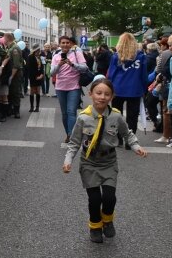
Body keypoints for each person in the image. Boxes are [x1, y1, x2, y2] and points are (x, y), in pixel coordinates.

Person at [63, 77, 148, 243]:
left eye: (106, 94)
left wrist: (137, 146)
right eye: (98, 93)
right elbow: (74, 143)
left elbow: (127, 134)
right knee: (94, 199)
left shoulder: (116, 117)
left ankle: (107, 220)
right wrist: (68, 160)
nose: (102, 97)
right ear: (91, 94)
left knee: (109, 197)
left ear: (112, 96)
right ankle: (95, 226)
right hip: (89, 162)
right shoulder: (83, 118)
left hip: (109, 161)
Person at [107, 33, 148, 149]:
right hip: (135, 88)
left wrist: (108, 88)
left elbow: (111, 74)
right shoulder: (141, 56)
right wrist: (144, 88)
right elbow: (143, 75)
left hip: (117, 88)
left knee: (116, 115)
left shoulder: (116, 56)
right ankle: (130, 140)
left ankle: (118, 138)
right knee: (132, 116)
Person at [51, 35, 88, 145]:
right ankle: (68, 133)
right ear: (60, 44)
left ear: (71, 44)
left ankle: (71, 136)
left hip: (74, 87)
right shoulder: (56, 56)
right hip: (60, 87)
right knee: (64, 114)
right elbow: (52, 72)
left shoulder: (77, 54)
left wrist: (72, 64)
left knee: (71, 112)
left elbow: (85, 68)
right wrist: (59, 64)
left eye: (67, 42)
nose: (65, 44)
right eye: (63, 42)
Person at [26, 43, 44, 112]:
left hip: (39, 76)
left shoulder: (39, 57)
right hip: (33, 77)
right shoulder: (30, 57)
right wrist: (36, 76)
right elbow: (30, 68)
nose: (39, 51)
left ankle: (37, 107)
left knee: (38, 91)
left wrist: (42, 74)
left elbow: (42, 66)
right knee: (32, 91)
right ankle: (31, 106)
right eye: (37, 50)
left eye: (39, 50)